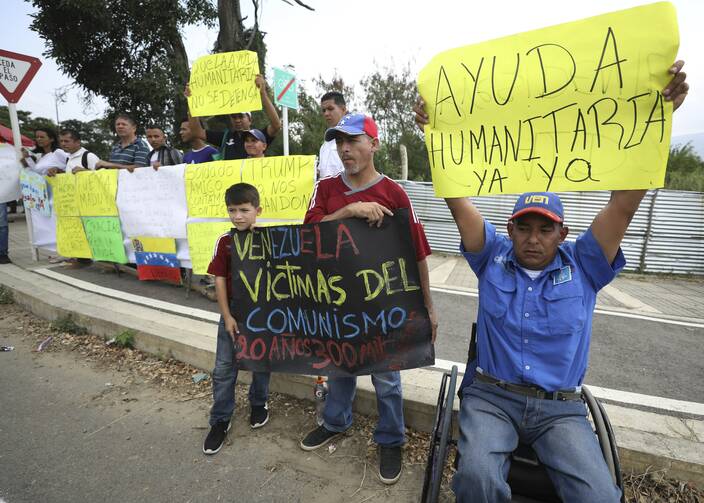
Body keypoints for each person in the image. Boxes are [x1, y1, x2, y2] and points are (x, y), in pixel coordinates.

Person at [413, 61, 689, 503]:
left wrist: (657, 121)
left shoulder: (585, 264)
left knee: (599, 495)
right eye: (524, 228)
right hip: (491, 399)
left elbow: (624, 204)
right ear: (511, 228)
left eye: (545, 229)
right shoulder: (492, 256)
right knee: (476, 480)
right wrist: (435, 134)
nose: (534, 239)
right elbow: (454, 195)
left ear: (563, 233)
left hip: (560, 409)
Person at [299, 113, 437, 485]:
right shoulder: (326, 189)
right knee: (339, 368)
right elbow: (306, 234)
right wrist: (350, 210)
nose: (345, 149)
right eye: (339, 142)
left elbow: (418, 253)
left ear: (374, 144)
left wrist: (428, 306)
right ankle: (335, 421)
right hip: (338, 305)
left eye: (354, 140)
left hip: (382, 307)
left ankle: (391, 439)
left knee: (386, 378)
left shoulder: (394, 193)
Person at [203, 182, 272, 455]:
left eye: (244, 210)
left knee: (262, 362)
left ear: (258, 210)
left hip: (264, 313)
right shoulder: (225, 241)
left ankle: (259, 403)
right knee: (223, 368)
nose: (238, 216)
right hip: (233, 312)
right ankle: (220, 419)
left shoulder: (269, 239)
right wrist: (227, 315)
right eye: (232, 210)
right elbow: (219, 280)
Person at [185, 74, 281, 160]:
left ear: (250, 119)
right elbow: (197, 132)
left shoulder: (259, 136)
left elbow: (276, 125)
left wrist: (263, 94)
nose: (237, 120)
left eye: (241, 116)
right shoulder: (225, 137)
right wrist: (192, 102)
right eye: (234, 117)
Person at [317, 91, 347, 179]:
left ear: (343, 109)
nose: (326, 113)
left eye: (330, 109)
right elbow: (322, 174)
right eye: (324, 110)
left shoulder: (354, 139)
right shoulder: (325, 145)